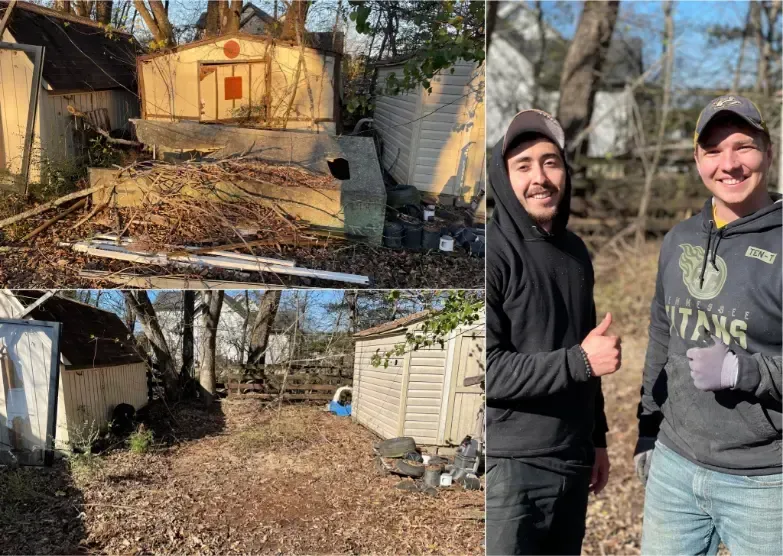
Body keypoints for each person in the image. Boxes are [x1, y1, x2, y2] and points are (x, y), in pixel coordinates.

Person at [634, 94, 782, 555]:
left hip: (764, 481)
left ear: (769, 152)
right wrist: (646, 426)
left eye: (744, 146)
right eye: (713, 150)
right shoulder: (679, 239)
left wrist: (745, 372)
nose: (730, 164)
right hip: (675, 466)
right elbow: (662, 333)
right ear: (697, 159)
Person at [485, 109, 622, 555]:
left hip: (572, 458)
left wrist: (596, 439)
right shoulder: (492, 253)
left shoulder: (575, 251)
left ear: (565, 171)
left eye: (550, 162)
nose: (539, 177)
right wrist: (579, 361)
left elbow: (588, 344)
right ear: (504, 176)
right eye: (523, 165)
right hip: (511, 470)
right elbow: (488, 372)